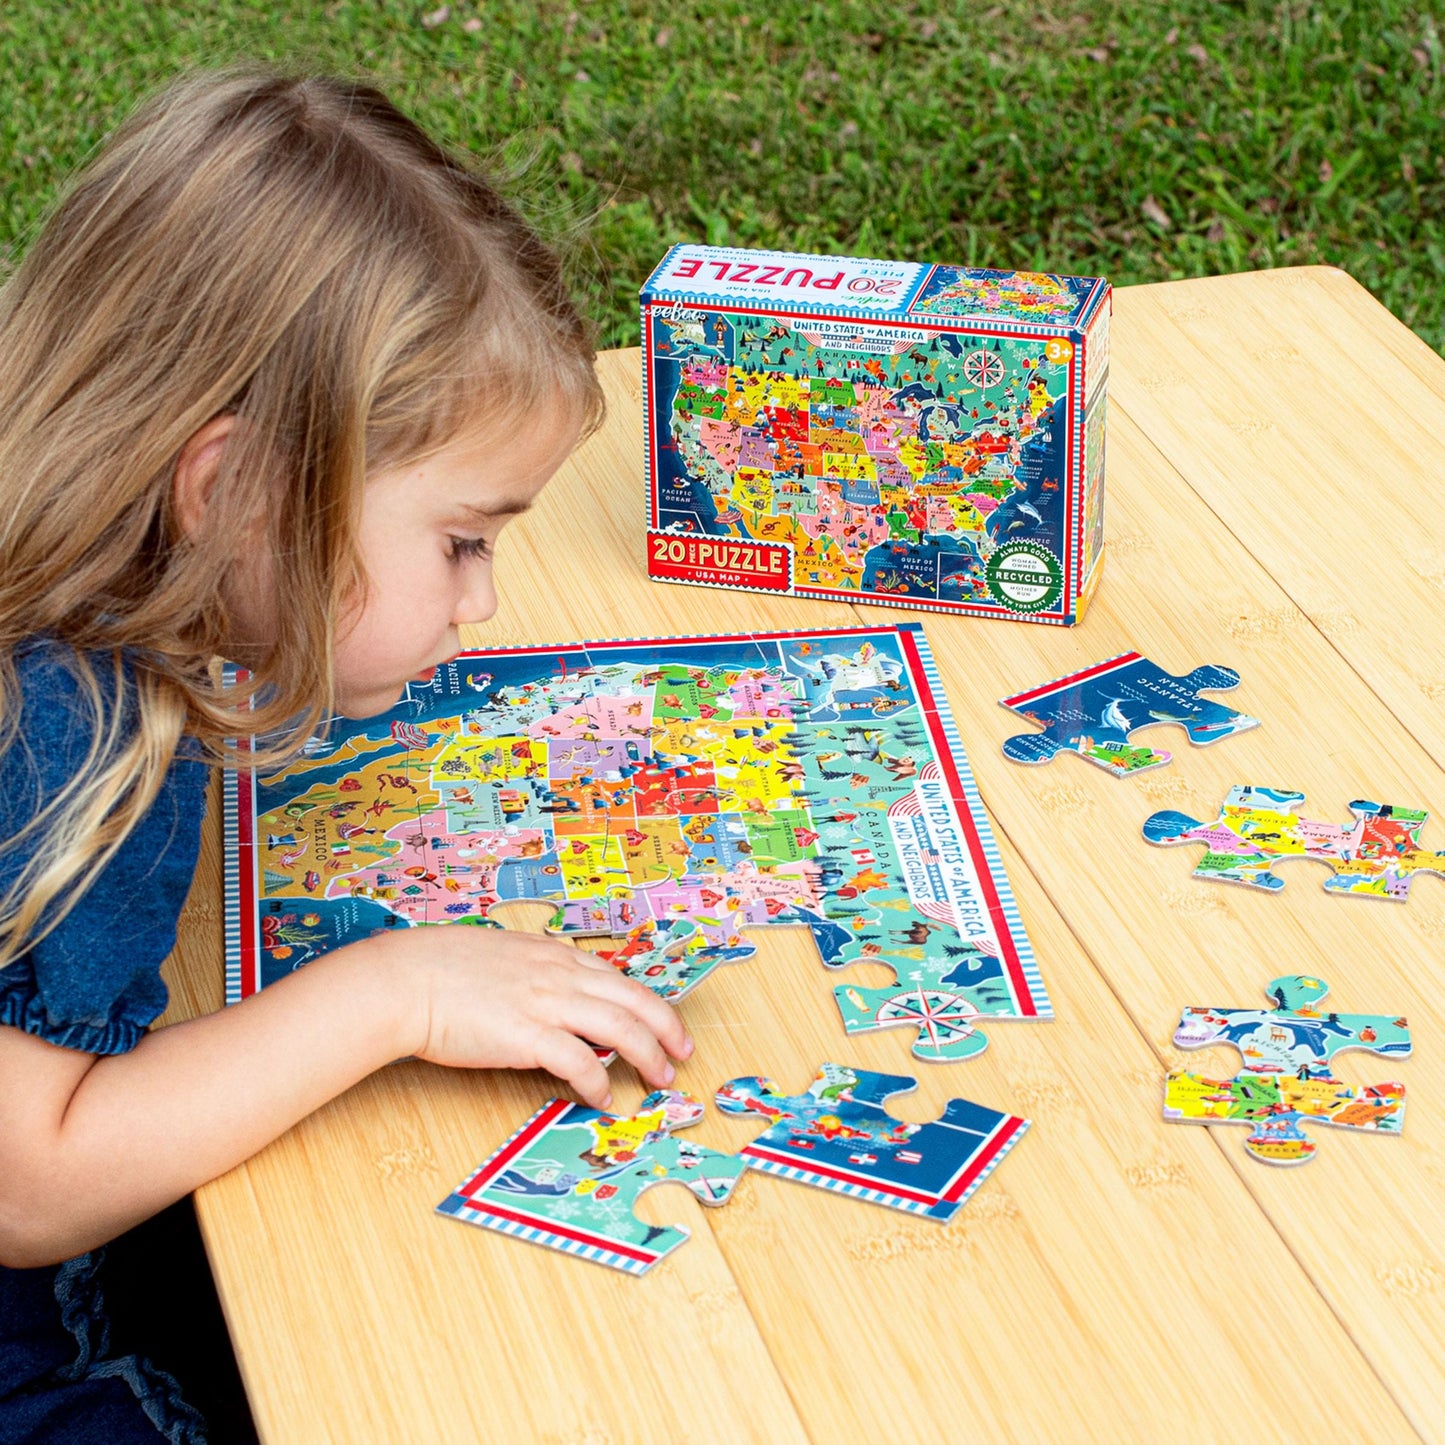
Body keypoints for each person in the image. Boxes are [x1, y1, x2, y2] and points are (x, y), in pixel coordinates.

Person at [0, 70, 692, 1442]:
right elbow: (32, 1182)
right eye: (461, 541)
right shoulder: (57, 730)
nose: (482, 599)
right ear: (229, 489)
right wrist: (394, 991)